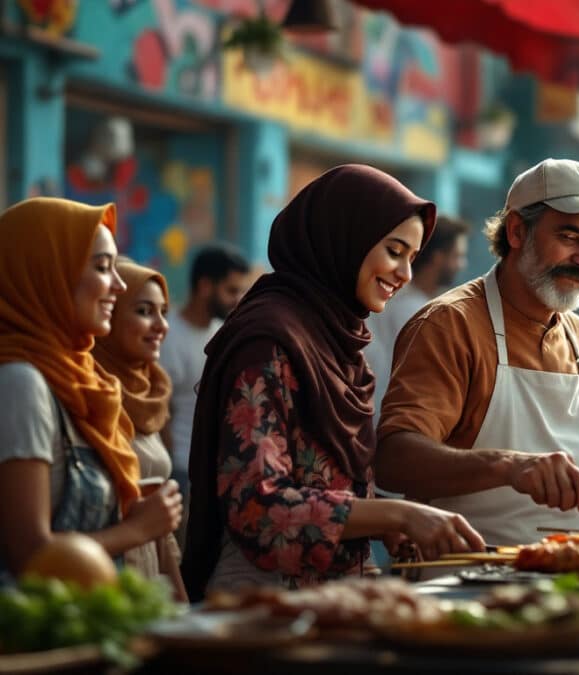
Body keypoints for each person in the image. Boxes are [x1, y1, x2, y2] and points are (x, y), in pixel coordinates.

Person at [180, 165, 484, 600]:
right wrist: (395, 515)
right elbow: (258, 509)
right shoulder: (270, 340)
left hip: (335, 601)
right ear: (344, 236)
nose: (405, 274)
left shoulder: (336, 341)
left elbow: (328, 476)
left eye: (412, 258)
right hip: (263, 608)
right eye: (394, 251)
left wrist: (383, 521)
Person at [374, 158, 579, 546]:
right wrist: (509, 466)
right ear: (517, 231)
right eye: (570, 238)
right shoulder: (450, 326)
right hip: (463, 578)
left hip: (568, 577)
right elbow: (395, 459)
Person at [0, 198, 183, 581]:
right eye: (102, 267)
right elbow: (29, 556)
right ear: (48, 273)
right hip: (41, 634)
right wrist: (138, 529)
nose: (117, 285)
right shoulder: (21, 382)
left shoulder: (80, 379)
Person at [92, 259, 187, 600]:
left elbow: (161, 530)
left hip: (149, 587)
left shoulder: (150, 393)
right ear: (109, 312)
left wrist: (180, 605)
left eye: (163, 312)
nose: (162, 325)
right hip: (104, 588)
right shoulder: (86, 393)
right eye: (145, 311)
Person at [159, 244, 250, 496]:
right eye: (231, 290)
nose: (238, 299)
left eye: (241, 290)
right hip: (179, 471)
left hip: (214, 471)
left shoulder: (221, 334)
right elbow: (160, 412)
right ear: (205, 286)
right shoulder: (166, 334)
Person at [365, 214, 470, 419]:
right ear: (438, 257)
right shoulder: (416, 312)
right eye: (458, 256)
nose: (462, 264)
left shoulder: (399, 300)